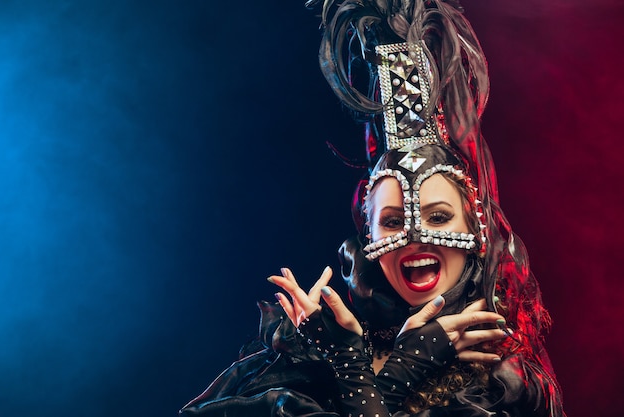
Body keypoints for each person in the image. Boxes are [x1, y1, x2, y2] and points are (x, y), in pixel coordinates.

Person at [179, 1, 565, 415]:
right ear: (369, 240)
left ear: (477, 232)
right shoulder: (319, 350)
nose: (415, 236)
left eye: (438, 217)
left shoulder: (500, 379)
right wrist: (366, 363)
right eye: (394, 221)